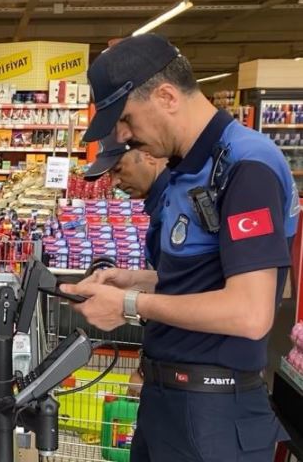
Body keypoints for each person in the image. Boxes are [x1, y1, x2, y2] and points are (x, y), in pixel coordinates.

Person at [62, 34, 296, 461]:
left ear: (167, 97)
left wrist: (129, 304)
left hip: (213, 416)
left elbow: (250, 312)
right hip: (168, 404)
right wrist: (136, 280)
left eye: (127, 119)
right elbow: (211, 276)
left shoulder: (246, 165)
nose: (124, 134)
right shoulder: (190, 169)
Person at [84, 132, 169, 268]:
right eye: (110, 175)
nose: (114, 183)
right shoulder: (163, 200)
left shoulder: (177, 202)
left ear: (148, 154)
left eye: (118, 169)